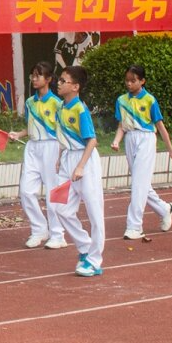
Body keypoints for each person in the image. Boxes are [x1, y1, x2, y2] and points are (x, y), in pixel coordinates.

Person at [49, 65, 107, 276]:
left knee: (94, 211)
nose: (59, 83)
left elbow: (92, 140)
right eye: (60, 80)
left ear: (75, 87)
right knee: (59, 206)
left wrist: (81, 166)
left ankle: (94, 260)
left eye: (63, 81)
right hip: (67, 160)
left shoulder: (80, 109)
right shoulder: (61, 108)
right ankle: (84, 246)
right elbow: (63, 137)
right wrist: (59, 158)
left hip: (86, 160)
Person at [111, 65, 172, 240]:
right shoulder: (121, 100)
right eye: (127, 81)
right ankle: (165, 209)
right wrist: (116, 141)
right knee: (141, 184)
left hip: (146, 138)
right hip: (130, 140)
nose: (129, 84)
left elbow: (160, 126)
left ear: (142, 81)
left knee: (138, 184)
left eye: (133, 81)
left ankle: (135, 226)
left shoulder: (149, 100)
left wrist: (171, 151)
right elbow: (121, 126)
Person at [8, 63, 67, 249]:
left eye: (38, 76)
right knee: (26, 191)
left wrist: (60, 154)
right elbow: (32, 126)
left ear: (48, 79)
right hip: (32, 147)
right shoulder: (29, 102)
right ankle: (40, 229)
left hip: (52, 146)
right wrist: (18, 134)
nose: (34, 79)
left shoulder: (58, 104)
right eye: (32, 76)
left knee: (53, 193)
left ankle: (58, 234)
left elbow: (61, 130)